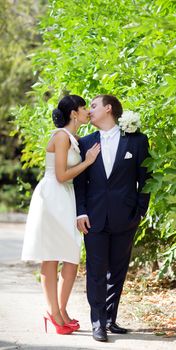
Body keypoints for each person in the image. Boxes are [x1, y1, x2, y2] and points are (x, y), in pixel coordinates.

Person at [21, 95, 100, 335]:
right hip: (53, 197)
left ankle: (61, 310)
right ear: (74, 113)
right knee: (52, 255)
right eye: (84, 107)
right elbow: (61, 176)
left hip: (66, 198)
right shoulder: (60, 137)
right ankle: (54, 313)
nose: (87, 111)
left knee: (71, 256)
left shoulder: (74, 138)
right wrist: (87, 162)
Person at [74, 94, 150, 342]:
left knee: (117, 270)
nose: (90, 111)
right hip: (93, 217)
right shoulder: (84, 143)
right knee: (96, 271)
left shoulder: (137, 141)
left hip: (126, 216)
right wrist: (81, 211)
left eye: (93, 106)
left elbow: (145, 179)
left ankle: (110, 319)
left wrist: (140, 211)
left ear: (108, 109)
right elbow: (80, 183)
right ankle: (98, 323)